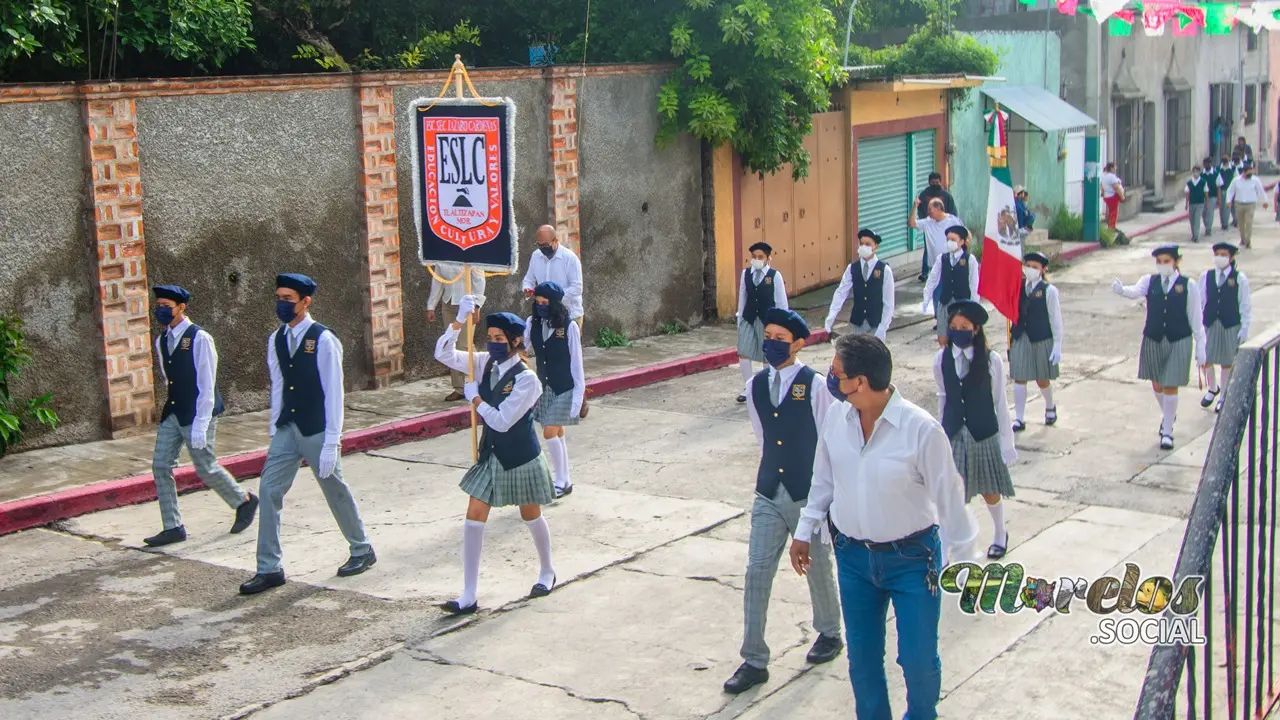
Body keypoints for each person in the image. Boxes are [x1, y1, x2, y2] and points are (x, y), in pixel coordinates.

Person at [790, 333, 980, 720]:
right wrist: (804, 529)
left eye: (836, 373)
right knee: (862, 661)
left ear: (859, 382)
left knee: (917, 660)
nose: (830, 378)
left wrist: (964, 563)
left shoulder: (921, 430)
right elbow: (823, 479)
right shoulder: (836, 417)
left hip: (913, 561)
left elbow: (949, 498)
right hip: (854, 560)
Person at [724, 308, 843, 695]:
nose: (771, 342)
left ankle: (829, 632)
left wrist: (824, 502)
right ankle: (754, 658)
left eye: (779, 338)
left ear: (797, 344)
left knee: (818, 566)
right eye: (768, 336)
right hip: (768, 493)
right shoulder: (757, 385)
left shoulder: (816, 385)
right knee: (757, 570)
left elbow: (828, 441)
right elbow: (762, 436)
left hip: (807, 492)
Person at [240, 274, 376, 595]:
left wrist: (333, 440)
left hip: (317, 428)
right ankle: (269, 567)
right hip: (288, 428)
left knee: (334, 488)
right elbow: (277, 388)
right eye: (278, 298)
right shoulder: (276, 339)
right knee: (269, 490)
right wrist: (275, 428)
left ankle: (361, 548)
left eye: (288, 299)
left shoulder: (324, 339)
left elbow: (334, 393)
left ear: (305, 302)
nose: (281, 304)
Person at [435, 300, 558, 614]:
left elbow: (502, 420)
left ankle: (547, 570)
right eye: (490, 337)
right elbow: (444, 354)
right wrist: (460, 320)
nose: (492, 343)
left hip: (520, 456)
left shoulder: (527, 379)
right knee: (473, 516)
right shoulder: (484, 361)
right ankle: (469, 594)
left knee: (530, 514)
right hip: (491, 455)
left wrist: (475, 397)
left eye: (499, 339)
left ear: (515, 341)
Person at [144, 285, 257, 547]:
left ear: (181, 307)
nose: (161, 310)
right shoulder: (162, 340)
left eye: (166, 306)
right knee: (161, 465)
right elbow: (167, 376)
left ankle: (244, 501)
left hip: (199, 411)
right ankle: (172, 526)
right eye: (158, 305)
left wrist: (201, 423)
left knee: (205, 466)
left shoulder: (200, 338)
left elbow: (207, 383)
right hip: (173, 410)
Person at [933, 300, 1017, 560]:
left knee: (989, 489)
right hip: (954, 433)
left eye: (964, 326)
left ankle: (1000, 533)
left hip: (983, 432)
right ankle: (947, 548)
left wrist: (1007, 443)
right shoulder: (941, 359)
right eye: (954, 326)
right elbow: (943, 397)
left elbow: (1000, 403)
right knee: (952, 494)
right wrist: (939, 434)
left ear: (976, 329)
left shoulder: (991, 361)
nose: (958, 331)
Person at [1112, 246, 1207, 450]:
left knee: (1170, 383)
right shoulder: (1150, 281)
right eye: (1159, 261)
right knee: (1157, 383)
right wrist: (1122, 290)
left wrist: (1201, 347)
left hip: (1178, 339)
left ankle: (1167, 431)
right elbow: (1135, 291)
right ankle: (1168, 414)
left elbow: (1196, 318)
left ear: (1175, 262)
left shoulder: (1188, 285)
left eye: (1167, 261)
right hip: (1154, 338)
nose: (1163, 265)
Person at [523, 282, 585, 499]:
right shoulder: (533, 323)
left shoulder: (569, 327)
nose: (540, 306)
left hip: (565, 386)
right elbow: (522, 346)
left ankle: (559, 481)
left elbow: (577, 364)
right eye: (537, 302)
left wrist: (579, 396)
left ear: (555, 303)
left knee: (549, 431)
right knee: (557, 432)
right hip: (544, 387)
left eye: (544, 302)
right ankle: (566, 480)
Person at [1009, 253, 1062, 432]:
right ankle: (1019, 418)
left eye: (1035, 266)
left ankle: (1050, 406)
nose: (1030, 269)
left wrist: (1057, 345)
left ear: (1043, 270)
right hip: (1021, 336)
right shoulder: (1018, 287)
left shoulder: (1049, 291)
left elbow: (1055, 319)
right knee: (1019, 377)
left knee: (1042, 379)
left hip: (1040, 337)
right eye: (1028, 265)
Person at [1200, 242, 1252, 413]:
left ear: (1230, 258)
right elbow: (1202, 301)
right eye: (1218, 254)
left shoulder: (1239, 278)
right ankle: (1212, 388)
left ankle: (1223, 396)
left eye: (1224, 254)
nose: (1220, 257)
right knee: (1206, 359)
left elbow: (1244, 304)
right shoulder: (1206, 277)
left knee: (1226, 362)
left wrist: (1244, 327)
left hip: (1229, 323)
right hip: (1210, 322)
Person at [735, 241, 789, 403]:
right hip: (748, 318)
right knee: (744, 352)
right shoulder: (746, 274)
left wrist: (783, 324)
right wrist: (740, 319)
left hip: (768, 321)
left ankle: (767, 386)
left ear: (768, 258)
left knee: (767, 355)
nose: (756, 259)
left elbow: (781, 302)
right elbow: (742, 299)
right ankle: (748, 387)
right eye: (754, 257)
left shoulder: (774, 276)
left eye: (760, 257)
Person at [427, 262, 487, 402]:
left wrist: (477, 306)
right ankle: (459, 387)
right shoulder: (441, 258)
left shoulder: (471, 256)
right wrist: (431, 305)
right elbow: (437, 281)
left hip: (468, 304)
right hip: (448, 303)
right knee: (450, 344)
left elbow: (479, 281)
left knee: (465, 345)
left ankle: (477, 381)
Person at [823, 228, 895, 341]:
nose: (864, 247)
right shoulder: (852, 268)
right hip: (858, 323)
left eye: (868, 244)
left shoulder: (884, 270)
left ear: (876, 246)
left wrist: (883, 327)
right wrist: (831, 317)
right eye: (861, 244)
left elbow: (889, 302)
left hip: (875, 324)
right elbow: (841, 292)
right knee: (857, 356)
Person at [922, 225, 980, 347]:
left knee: (962, 338)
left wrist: (974, 307)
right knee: (943, 338)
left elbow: (974, 284)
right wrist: (926, 300)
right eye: (948, 239)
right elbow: (932, 280)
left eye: (953, 240)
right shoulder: (942, 259)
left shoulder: (970, 260)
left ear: (962, 242)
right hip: (945, 303)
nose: (950, 242)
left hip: (962, 304)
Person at [522, 225, 584, 327]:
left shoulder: (570, 258)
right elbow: (528, 280)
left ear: (555, 241)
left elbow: (577, 288)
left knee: (568, 343)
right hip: (545, 313)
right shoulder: (536, 256)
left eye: (545, 245)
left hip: (570, 314)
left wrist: (554, 297)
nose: (542, 248)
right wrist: (527, 289)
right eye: (539, 245)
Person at [908, 197, 963, 282]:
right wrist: (915, 206)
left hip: (951, 267)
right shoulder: (928, 222)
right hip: (934, 268)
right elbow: (911, 223)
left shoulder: (953, 221)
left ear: (938, 208)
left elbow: (966, 236)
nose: (928, 212)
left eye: (930, 209)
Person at [1226, 162, 1269, 249]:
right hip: (1239, 204)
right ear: (1244, 172)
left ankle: (1248, 241)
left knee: (1249, 223)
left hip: (1251, 204)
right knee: (1241, 224)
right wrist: (1228, 201)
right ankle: (1243, 239)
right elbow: (1230, 190)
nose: (1250, 175)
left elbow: (1261, 190)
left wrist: (1265, 201)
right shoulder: (1236, 180)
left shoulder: (1255, 180)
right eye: (1249, 173)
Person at [1185, 165, 1213, 243]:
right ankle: (1193, 234)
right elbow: (1187, 193)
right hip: (1192, 203)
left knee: (1197, 219)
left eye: (1197, 171)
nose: (1195, 173)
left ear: (1200, 172)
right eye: (1194, 171)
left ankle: (1196, 236)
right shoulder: (1189, 183)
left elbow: (1206, 193)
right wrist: (1186, 204)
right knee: (1192, 220)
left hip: (1200, 203)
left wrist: (1207, 203)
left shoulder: (1203, 182)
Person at [1201, 157, 1223, 238]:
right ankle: (1207, 225)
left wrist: (1219, 199)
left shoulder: (1216, 174)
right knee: (1204, 213)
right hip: (1203, 197)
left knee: (1210, 213)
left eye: (1209, 163)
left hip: (1212, 196)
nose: (1207, 165)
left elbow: (1219, 187)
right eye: (1205, 164)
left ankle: (1208, 229)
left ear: (1211, 164)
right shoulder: (1201, 174)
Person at [1217, 154, 1239, 230]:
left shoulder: (1233, 168)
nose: (1224, 160)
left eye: (1226, 158)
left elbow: (1236, 179)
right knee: (1222, 208)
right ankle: (1223, 222)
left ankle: (1226, 223)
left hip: (1230, 191)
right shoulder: (1218, 169)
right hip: (1222, 191)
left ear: (1229, 159)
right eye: (1223, 158)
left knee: (1228, 207)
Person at [1101, 162, 1124, 230]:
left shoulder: (1104, 176)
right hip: (1112, 196)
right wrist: (1122, 196)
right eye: (1114, 167)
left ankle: (1110, 226)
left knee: (1111, 211)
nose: (1116, 169)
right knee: (1114, 212)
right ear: (1111, 168)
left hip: (1107, 196)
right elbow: (1116, 187)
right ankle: (1111, 227)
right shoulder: (1111, 177)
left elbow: (1101, 187)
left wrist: (1103, 193)